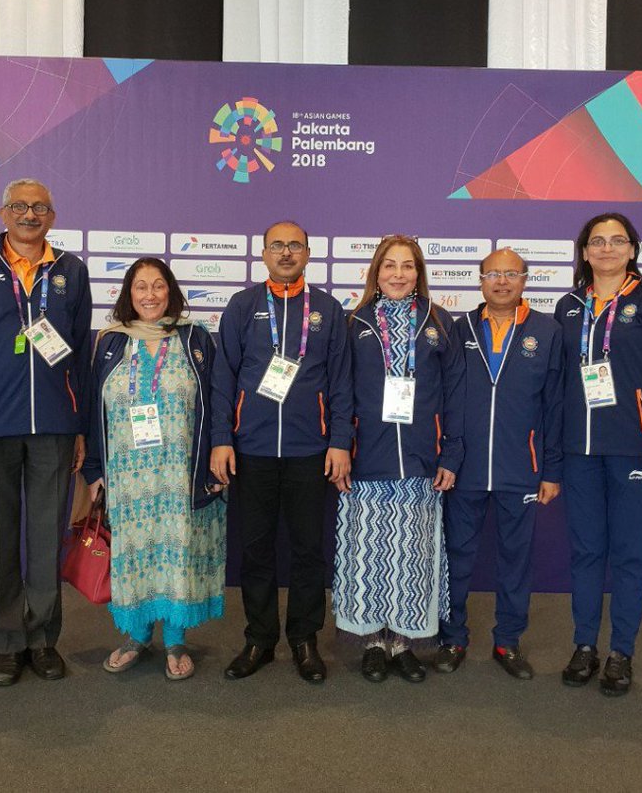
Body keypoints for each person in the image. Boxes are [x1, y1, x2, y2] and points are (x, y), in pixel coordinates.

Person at [0, 178, 92, 686]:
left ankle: (43, 640)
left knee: (47, 536)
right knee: (1, 536)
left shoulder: (71, 270)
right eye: (20, 206)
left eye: (40, 207)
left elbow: (79, 357)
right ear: (3, 212)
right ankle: (8, 642)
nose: (30, 215)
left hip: (55, 425)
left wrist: (79, 426)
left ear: (52, 216)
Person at [210, 221, 353, 683]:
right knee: (256, 550)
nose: (286, 253)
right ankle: (259, 639)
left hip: (310, 450)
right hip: (250, 449)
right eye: (277, 245)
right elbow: (223, 378)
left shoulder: (328, 309)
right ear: (264, 253)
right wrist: (221, 438)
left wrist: (339, 442)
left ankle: (305, 639)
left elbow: (342, 383)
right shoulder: (242, 305)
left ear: (308, 253)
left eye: (294, 246)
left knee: (309, 550)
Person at [73, 258, 226, 681]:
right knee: (135, 556)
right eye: (141, 287)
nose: (150, 295)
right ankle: (137, 636)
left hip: (180, 475)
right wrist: (93, 469)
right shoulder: (110, 341)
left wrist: (214, 462)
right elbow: (92, 409)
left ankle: (175, 640)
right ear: (129, 293)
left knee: (176, 556)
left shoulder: (194, 338)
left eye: (158, 286)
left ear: (170, 291)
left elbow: (217, 403)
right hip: (128, 477)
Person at [553, 212, 642, 696]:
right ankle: (585, 644)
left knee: (628, 554)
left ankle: (621, 651)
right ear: (584, 252)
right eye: (597, 241)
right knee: (587, 551)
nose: (606, 248)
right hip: (579, 451)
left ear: (632, 249)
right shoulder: (569, 307)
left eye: (617, 240)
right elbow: (555, 384)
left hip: (634, 450)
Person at [333, 235, 464, 683]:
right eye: (389, 265)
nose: (398, 274)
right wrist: (341, 447)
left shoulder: (439, 321)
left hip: (421, 461)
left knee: (412, 557)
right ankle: (373, 642)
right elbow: (340, 391)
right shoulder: (354, 323)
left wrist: (451, 453)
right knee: (369, 555)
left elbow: (455, 395)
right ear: (376, 271)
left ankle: (404, 642)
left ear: (418, 273)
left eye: (407, 266)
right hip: (366, 460)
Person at [436, 248, 563, 680]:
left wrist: (551, 470)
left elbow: (555, 406)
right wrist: (448, 455)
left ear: (525, 280)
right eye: (493, 274)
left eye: (511, 273)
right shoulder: (459, 329)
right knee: (456, 557)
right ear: (480, 280)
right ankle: (453, 637)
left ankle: (508, 640)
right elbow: (447, 398)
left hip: (521, 466)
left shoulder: (547, 331)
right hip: (464, 468)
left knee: (516, 560)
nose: (502, 281)